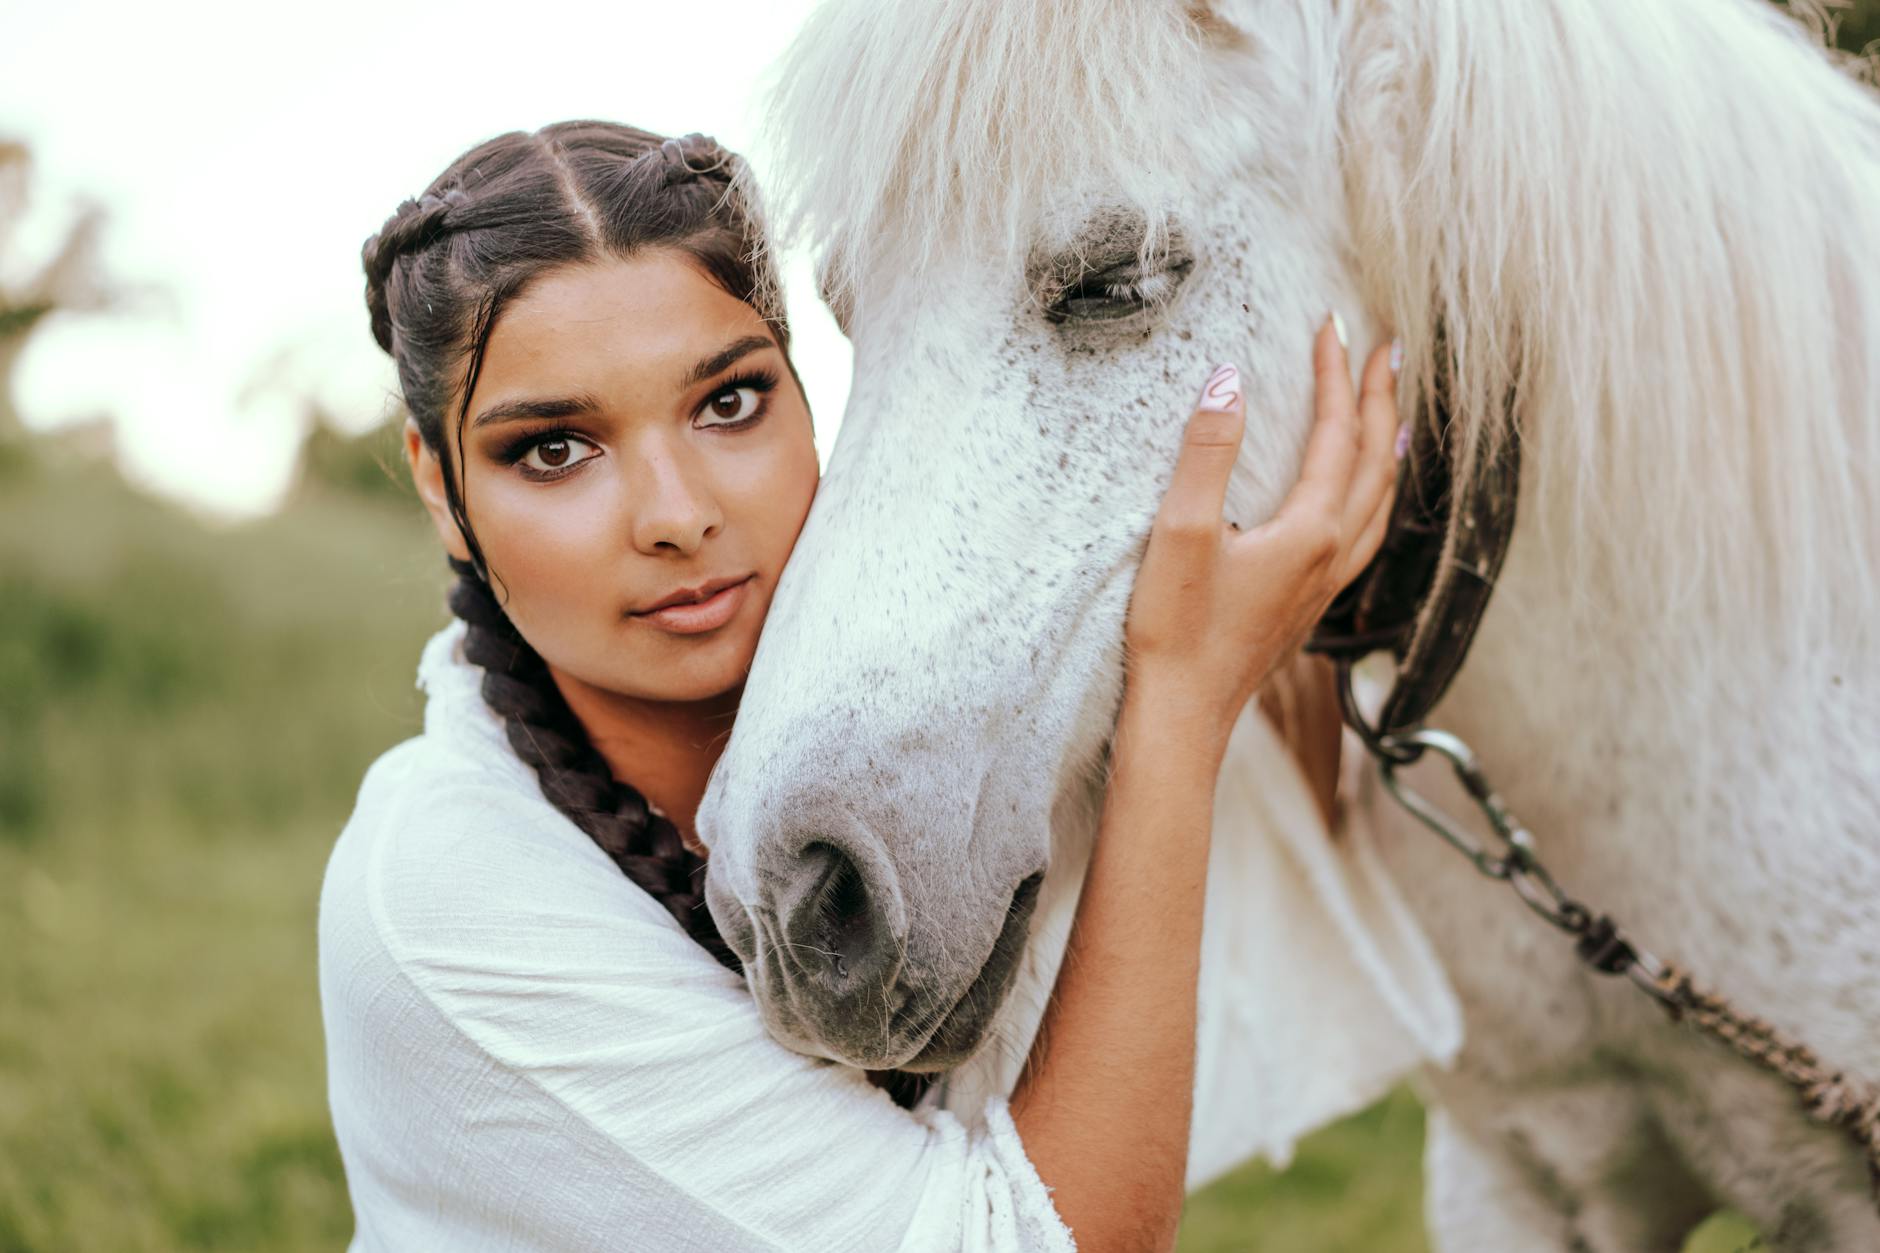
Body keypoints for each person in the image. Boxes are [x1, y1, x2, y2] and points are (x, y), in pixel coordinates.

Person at [319, 120, 1401, 1253]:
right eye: (553, 448)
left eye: (728, 403)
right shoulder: (444, 896)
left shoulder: (904, 726)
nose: (676, 514)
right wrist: (1180, 702)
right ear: (438, 487)